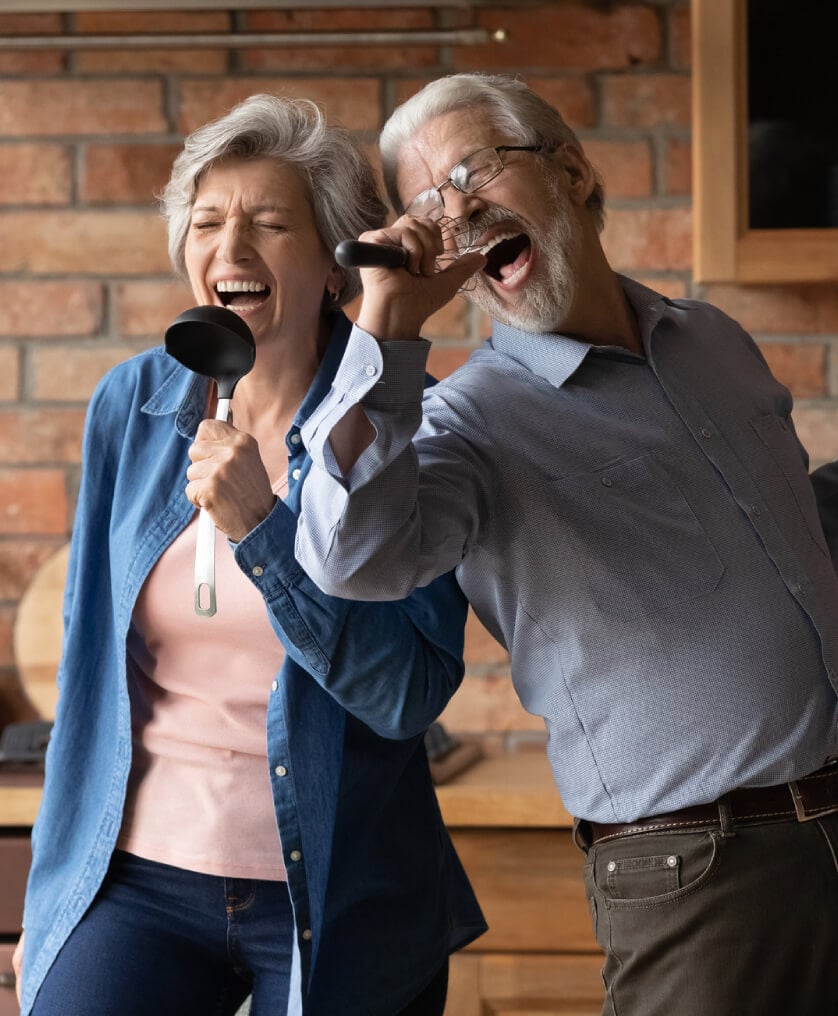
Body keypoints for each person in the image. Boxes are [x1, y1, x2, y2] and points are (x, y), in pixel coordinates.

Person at [293, 73, 838, 1015]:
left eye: (473, 171)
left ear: (574, 172)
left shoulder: (715, 341)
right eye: (425, 201)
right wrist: (385, 324)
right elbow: (349, 557)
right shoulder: (463, 423)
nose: (453, 211)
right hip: (698, 876)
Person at [14, 93, 485, 1016]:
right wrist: (56, 893)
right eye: (207, 223)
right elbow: (88, 661)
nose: (230, 253)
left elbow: (407, 695)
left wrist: (261, 529)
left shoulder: (410, 419)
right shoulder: (133, 403)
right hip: (136, 881)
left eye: (270, 225)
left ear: (332, 261)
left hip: (341, 895)